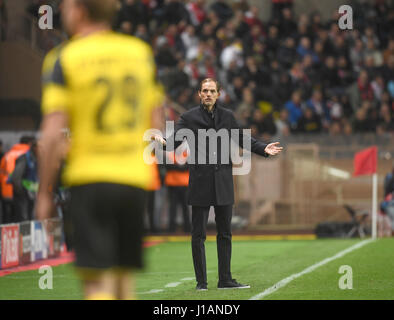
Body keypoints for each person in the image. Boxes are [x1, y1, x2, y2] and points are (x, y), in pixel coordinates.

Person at [36, 0, 163, 300]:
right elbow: (157, 120)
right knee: (123, 281)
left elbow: (53, 129)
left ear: (80, 11)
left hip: (90, 177)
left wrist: (44, 193)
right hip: (133, 179)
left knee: (96, 284)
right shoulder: (139, 53)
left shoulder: (63, 58)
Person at [156, 78, 282, 290]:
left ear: (218, 94)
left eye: (212, 91)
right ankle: (201, 283)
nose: (208, 94)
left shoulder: (228, 116)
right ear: (199, 94)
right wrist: (162, 142)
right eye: (204, 90)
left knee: (225, 233)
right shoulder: (188, 117)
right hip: (200, 182)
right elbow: (175, 141)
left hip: (223, 181)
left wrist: (263, 149)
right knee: (198, 235)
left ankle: (225, 279)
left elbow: (243, 139)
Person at [0, 136, 33, 224]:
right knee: (23, 221)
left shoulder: (7, 154)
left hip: (6, 191)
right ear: (30, 144)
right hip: (22, 192)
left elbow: (2, 172)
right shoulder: (28, 155)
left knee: (7, 220)